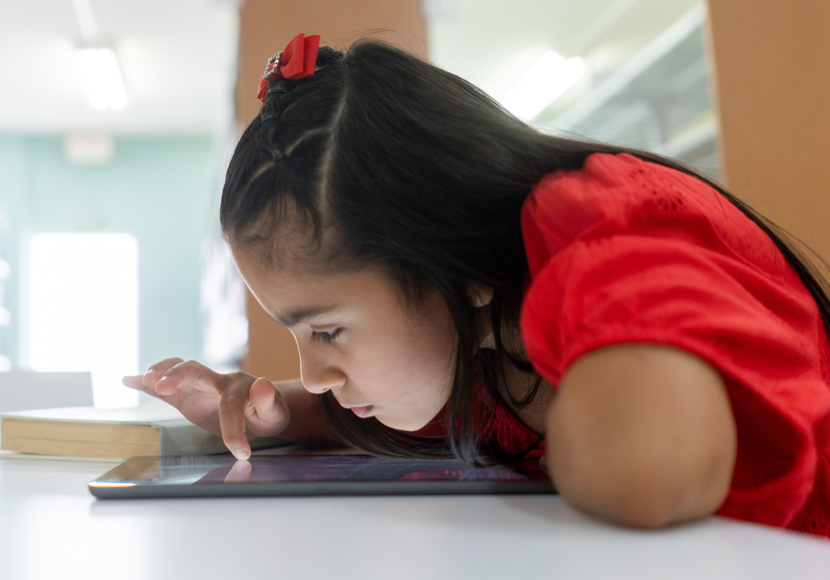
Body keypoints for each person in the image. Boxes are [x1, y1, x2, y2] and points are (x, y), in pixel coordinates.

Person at [123, 33, 830, 535]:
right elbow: (433, 396)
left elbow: (645, 478)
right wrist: (282, 415)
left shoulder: (599, 228)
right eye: (297, 335)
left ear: (458, 266)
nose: (313, 369)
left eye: (328, 330)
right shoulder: (481, 328)